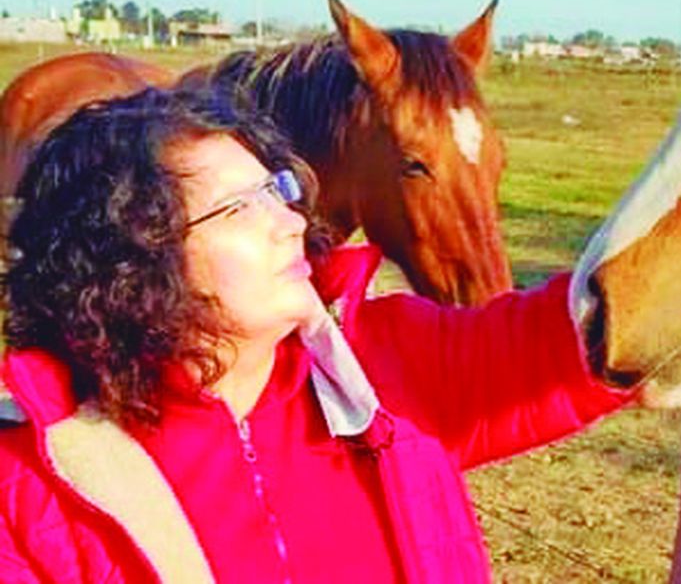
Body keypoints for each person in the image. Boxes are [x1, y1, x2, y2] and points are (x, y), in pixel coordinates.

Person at [0, 88, 628, 583]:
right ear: (132, 258)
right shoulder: (31, 490)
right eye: (242, 207)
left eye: (279, 190)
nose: (292, 221)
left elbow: (601, 329)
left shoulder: (393, 364)